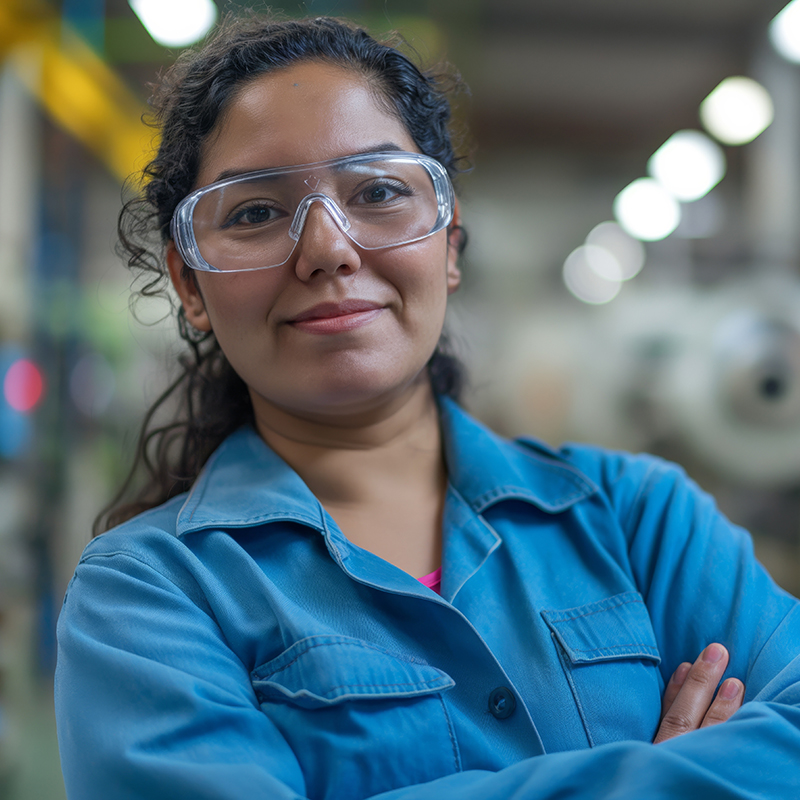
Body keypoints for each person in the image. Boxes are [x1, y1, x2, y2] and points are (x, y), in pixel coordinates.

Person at [54, 14, 800, 800]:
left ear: (447, 244)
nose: (329, 249)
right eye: (255, 212)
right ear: (189, 284)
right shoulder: (145, 601)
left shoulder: (643, 522)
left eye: (378, 192)